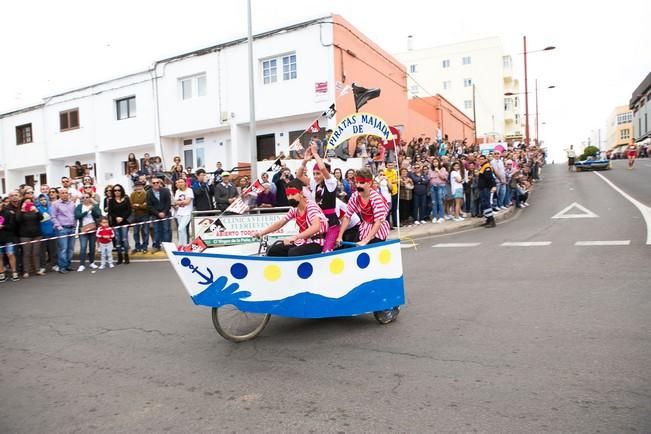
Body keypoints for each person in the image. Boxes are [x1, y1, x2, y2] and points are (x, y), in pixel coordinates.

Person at [254, 179, 328, 257]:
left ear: (301, 194)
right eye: (288, 195)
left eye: (292, 194)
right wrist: (261, 233)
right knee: (274, 250)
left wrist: (295, 237)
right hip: (303, 241)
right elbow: (280, 223)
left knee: (294, 253)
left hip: (318, 242)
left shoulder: (311, 206)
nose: (290, 198)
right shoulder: (294, 209)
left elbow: (316, 227)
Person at [296, 143, 340, 252]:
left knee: (326, 251)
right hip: (318, 223)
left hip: (331, 224)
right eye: (314, 174)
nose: (315, 176)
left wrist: (315, 153)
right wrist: (305, 160)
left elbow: (323, 168)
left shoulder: (331, 182)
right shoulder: (314, 183)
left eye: (318, 174)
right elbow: (299, 175)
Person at [336, 168, 391, 246]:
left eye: (361, 183)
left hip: (378, 230)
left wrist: (366, 240)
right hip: (365, 227)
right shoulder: (355, 196)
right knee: (355, 250)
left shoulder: (376, 198)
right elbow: (347, 216)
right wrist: (340, 236)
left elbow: (378, 222)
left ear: (369, 183)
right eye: (356, 182)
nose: (358, 185)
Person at [16, 193, 44, 278]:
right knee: (26, 253)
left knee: (36, 253)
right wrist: (22, 210)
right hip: (25, 235)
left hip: (37, 234)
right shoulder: (20, 211)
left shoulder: (35, 210)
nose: (28, 204)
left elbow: (41, 218)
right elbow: (18, 220)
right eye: (26, 202)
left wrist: (36, 211)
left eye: (30, 202)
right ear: (22, 203)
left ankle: (37, 270)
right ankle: (26, 271)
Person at [51, 188, 77, 273]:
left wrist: (75, 225)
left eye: (66, 193)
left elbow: (74, 215)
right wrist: (59, 227)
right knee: (63, 249)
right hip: (62, 228)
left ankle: (68, 265)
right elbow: (53, 217)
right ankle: (62, 267)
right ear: (59, 194)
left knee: (71, 248)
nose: (65, 194)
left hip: (71, 228)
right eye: (63, 193)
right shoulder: (55, 204)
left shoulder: (72, 203)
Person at [75, 192, 101, 272]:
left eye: (87, 197)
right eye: (83, 198)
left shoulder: (94, 206)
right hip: (83, 229)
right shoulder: (79, 206)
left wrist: (93, 209)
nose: (85, 199)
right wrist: (87, 211)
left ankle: (92, 262)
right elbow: (77, 216)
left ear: (90, 198)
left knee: (92, 247)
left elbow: (98, 215)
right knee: (83, 247)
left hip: (92, 228)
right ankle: (82, 264)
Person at [147, 177, 172, 252]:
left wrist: (164, 212)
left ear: (160, 183)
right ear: (151, 184)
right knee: (156, 231)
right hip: (155, 215)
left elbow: (168, 203)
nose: (155, 184)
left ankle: (167, 246)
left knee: (166, 230)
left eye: (157, 182)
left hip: (166, 214)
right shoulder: (149, 193)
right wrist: (158, 213)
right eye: (154, 183)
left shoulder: (166, 191)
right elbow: (149, 206)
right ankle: (157, 246)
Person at [108, 184, 131, 264]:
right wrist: (116, 217)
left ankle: (126, 256)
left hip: (124, 222)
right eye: (115, 190)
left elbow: (129, 210)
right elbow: (110, 212)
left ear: (121, 191)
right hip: (115, 223)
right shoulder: (111, 200)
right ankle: (119, 257)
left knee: (124, 239)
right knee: (117, 239)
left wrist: (122, 218)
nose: (117, 192)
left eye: (118, 190)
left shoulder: (126, 199)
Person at [36, 193, 58, 272]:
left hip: (52, 232)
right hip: (42, 233)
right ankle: (42, 266)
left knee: (53, 250)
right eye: (41, 200)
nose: (43, 201)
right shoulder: (37, 209)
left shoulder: (51, 208)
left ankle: (54, 264)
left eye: (45, 199)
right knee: (42, 251)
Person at [0, 194, 19, 281]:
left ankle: (14, 273)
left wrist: (2, 226)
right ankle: (2, 274)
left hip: (8, 238)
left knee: (10, 254)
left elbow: (12, 226)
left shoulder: (7, 212)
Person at [173, 178, 194, 245]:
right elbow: (175, 202)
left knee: (180, 228)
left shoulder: (189, 190)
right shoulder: (177, 191)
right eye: (179, 182)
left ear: (185, 183)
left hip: (187, 213)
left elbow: (188, 202)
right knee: (182, 230)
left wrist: (179, 202)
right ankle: (183, 245)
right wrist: (182, 202)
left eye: (182, 182)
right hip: (179, 213)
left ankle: (181, 244)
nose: (180, 183)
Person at [477, 155, 497, 228]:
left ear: (485, 159)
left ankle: (491, 221)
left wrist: (494, 186)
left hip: (486, 188)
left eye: (482, 159)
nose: (481, 160)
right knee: (484, 204)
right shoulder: (482, 167)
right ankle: (488, 219)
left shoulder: (487, 167)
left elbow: (490, 178)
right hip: (482, 188)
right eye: (480, 159)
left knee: (487, 204)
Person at [428, 159, 447, 224]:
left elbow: (443, 177)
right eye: (434, 162)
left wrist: (438, 171)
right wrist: (435, 176)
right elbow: (429, 177)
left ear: (439, 162)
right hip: (433, 186)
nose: (435, 163)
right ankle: (435, 217)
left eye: (436, 162)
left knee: (440, 202)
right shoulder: (430, 170)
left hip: (440, 186)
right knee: (434, 202)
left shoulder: (442, 169)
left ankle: (441, 217)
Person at [383, 161, 399, 228]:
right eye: (389, 165)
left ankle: (395, 223)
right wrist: (393, 181)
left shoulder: (394, 172)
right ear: (386, 165)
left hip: (395, 191)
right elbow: (386, 181)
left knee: (395, 209)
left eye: (391, 165)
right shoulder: (384, 172)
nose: (390, 166)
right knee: (388, 209)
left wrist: (394, 181)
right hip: (388, 192)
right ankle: (388, 224)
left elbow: (396, 180)